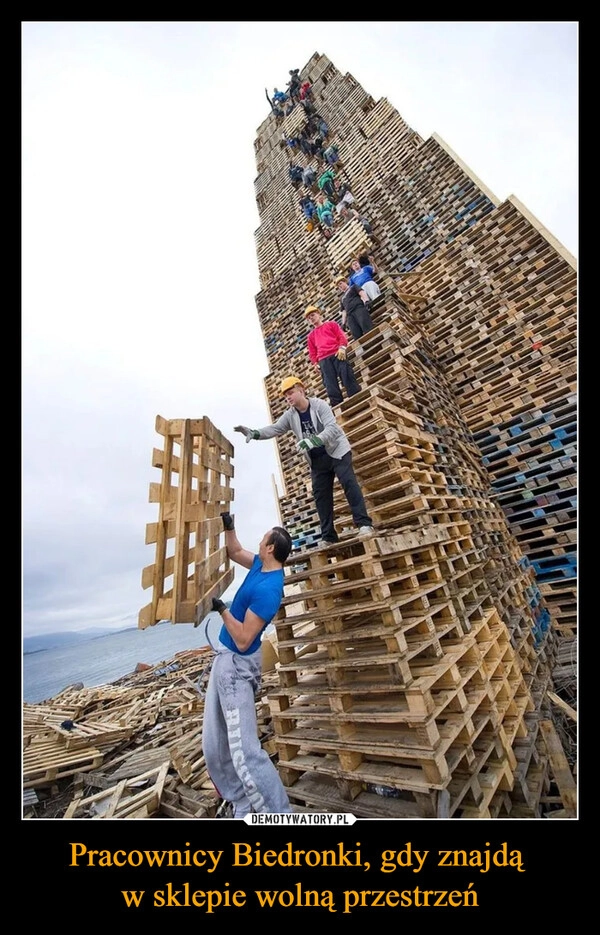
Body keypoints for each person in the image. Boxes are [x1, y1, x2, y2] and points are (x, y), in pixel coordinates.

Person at [201, 515, 293, 817]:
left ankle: (279, 816)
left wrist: (222, 610)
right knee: (214, 746)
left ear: (270, 548)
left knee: (245, 752)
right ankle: (243, 803)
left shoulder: (269, 591)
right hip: (224, 660)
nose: (258, 542)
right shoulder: (259, 564)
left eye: (262, 539)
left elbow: (242, 639)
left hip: (238, 667)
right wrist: (230, 528)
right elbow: (234, 551)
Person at [235, 378, 373, 547]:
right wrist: (254, 433)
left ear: (301, 390)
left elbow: (332, 428)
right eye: (286, 396)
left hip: (337, 452)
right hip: (317, 460)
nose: (288, 398)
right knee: (321, 495)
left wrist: (314, 441)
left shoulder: (319, 405)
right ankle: (328, 536)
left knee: (349, 482)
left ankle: (364, 524)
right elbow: (275, 428)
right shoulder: (290, 415)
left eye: (291, 393)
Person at [304, 304, 361, 405]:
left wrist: (342, 348)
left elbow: (341, 336)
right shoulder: (311, 336)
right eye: (309, 318)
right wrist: (315, 363)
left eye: (312, 315)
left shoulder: (331, 324)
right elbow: (312, 352)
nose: (311, 318)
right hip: (323, 360)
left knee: (347, 376)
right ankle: (337, 405)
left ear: (318, 314)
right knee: (330, 384)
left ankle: (357, 398)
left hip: (337, 354)